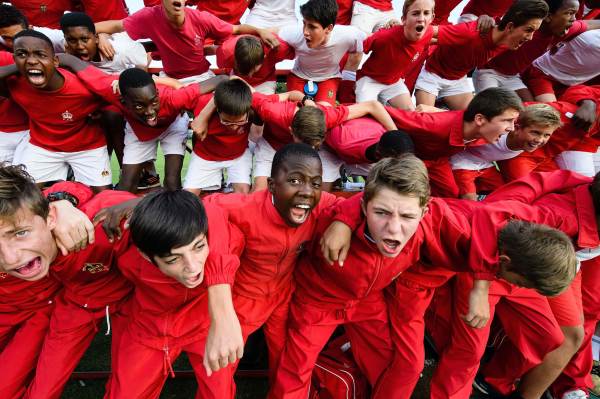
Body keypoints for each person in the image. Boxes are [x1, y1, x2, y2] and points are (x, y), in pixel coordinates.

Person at [104, 189, 243, 399]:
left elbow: (213, 211)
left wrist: (223, 315)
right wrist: (64, 202)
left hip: (202, 323)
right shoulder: (127, 255)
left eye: (199, 247)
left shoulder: (224, 236)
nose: (193, 267)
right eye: (172, 260)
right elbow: (94, 202)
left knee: (220, 393)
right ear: (146, 256)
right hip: (150, 326)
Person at [58, 54, 226, 193]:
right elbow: (71, 60)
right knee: (127, 186)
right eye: (139, 106)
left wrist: (203, 116)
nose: (150, 111)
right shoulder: (110, 90)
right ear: (123, 100)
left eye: (154, 102)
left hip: (172, 127)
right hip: (139, 131)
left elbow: (222, 79)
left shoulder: (174, 98)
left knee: (172, 183)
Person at [0, 164, 97, 399]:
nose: (11, 257)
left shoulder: (30, 210)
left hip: (41, 311)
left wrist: (63, 202)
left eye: (20, 234)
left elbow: (77, 189)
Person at [0, 30, 112, 192]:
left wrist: (101, 110)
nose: (32, 61)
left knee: (104, 196)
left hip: (86, 147)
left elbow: (112, 94)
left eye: (40, 55)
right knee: (25, 197)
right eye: (22, 54)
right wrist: (20, 66)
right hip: (43, 146)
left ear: (55, 61)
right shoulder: (16, 84)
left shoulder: (80, 87)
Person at [95, 0, 279, 83]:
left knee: (219, 98)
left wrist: (260, 30)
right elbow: (116, 26)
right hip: (170, 77)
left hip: (201, 76)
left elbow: (237, 29)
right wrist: (99, 34)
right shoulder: (149, 16)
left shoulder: (201, 18)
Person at [387, 87, 523, 197]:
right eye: (506, 120)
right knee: (404, 191)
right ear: (480, 119)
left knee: (450, 194)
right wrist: (396, 141)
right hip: (407, 158)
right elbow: (383, 111)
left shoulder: (482, 133)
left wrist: (437, 110)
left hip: (438, 160)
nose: (511, 128)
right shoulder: (432, 124)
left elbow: (463, 116)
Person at [414, 0, 549, 110]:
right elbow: (425, 31)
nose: (531, 37)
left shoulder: (507, 40)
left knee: (476, 125)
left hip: (457, 83)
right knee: (424, 119)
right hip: (431, 77)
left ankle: (443, 109)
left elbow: (501, 20)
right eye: (529, 30)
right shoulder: (471, 32)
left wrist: (486, 16)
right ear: (510, 27)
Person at [475, 0, 600, 101]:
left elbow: (587, 24)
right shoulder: (526, 26)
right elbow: (496, 25)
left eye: (575, 14)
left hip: (512, 77)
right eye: (569, 13)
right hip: (488, 71)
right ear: (549, 17)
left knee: (531, 110)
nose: (573, 19)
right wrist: (485, 18)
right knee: (491, 108)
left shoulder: (560, 30)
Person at [450, 103, 562, 200]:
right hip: (462, 163)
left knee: (503, 194)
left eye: (547, 135)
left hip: (485, 166)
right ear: (517, 128)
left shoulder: (525, 143)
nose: (539, 140)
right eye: (535, 133)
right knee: (470, 199)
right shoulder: (497, 131)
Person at [275, 0, 367, 105]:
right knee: (296, 111)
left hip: (329, 78)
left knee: (324, 112)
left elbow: (374, 39)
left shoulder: (348, 35)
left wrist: (388, 26)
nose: (305, 32)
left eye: (312, 27)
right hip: (299, 76)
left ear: (329, 28)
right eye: (304, 24)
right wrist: (259, 31)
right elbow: (270, 33)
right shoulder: (294, 33)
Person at [356, 0, 435, 110]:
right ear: (403, 20)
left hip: (394, 82)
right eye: (415, 13)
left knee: (411, 112)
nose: (421, 18)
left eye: (426, 13)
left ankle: (386, 106)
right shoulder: (385, 36)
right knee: (365, 114)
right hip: (370, 80)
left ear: (432, 17)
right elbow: (359, 44)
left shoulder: (428, 34)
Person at [216, 34, 294, 94]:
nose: (250, 76)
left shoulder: (278, 48)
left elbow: (296, 52)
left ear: (264, 57)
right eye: (243, 69)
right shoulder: (225, 52)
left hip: (265, 81)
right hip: (237, 78)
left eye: (253, 70)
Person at [0, 50, 29, 165]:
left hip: (32, 129)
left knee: (26, 176)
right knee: (6, 179)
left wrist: (19, 66)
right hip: (2, 132)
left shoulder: (4, 58)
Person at [0, 4, 65, 53]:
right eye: (7, 38)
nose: (13, 43)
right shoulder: (2, 36)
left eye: (18, 36)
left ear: (30, 29)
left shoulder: (57, 39)